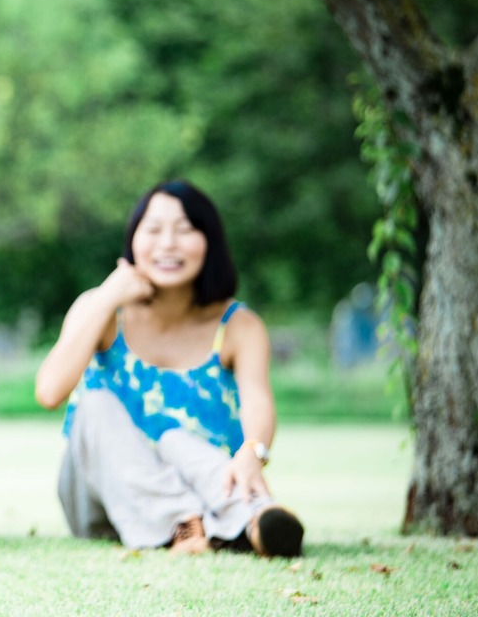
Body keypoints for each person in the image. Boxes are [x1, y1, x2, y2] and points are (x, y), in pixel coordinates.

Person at [35, 180, 303, 557]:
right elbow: (49, 391)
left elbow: (258, 400)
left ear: (209, 242)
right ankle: (198, 523)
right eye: (154, 229)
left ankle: (259, 524)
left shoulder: (238, 326)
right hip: (102, 497)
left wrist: (253, 452)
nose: (168, 244)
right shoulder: (101, 311)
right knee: (94, 405)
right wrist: (110, 294)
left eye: (185, 230)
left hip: (204, 486)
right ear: (133, 241)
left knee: (176, 439)